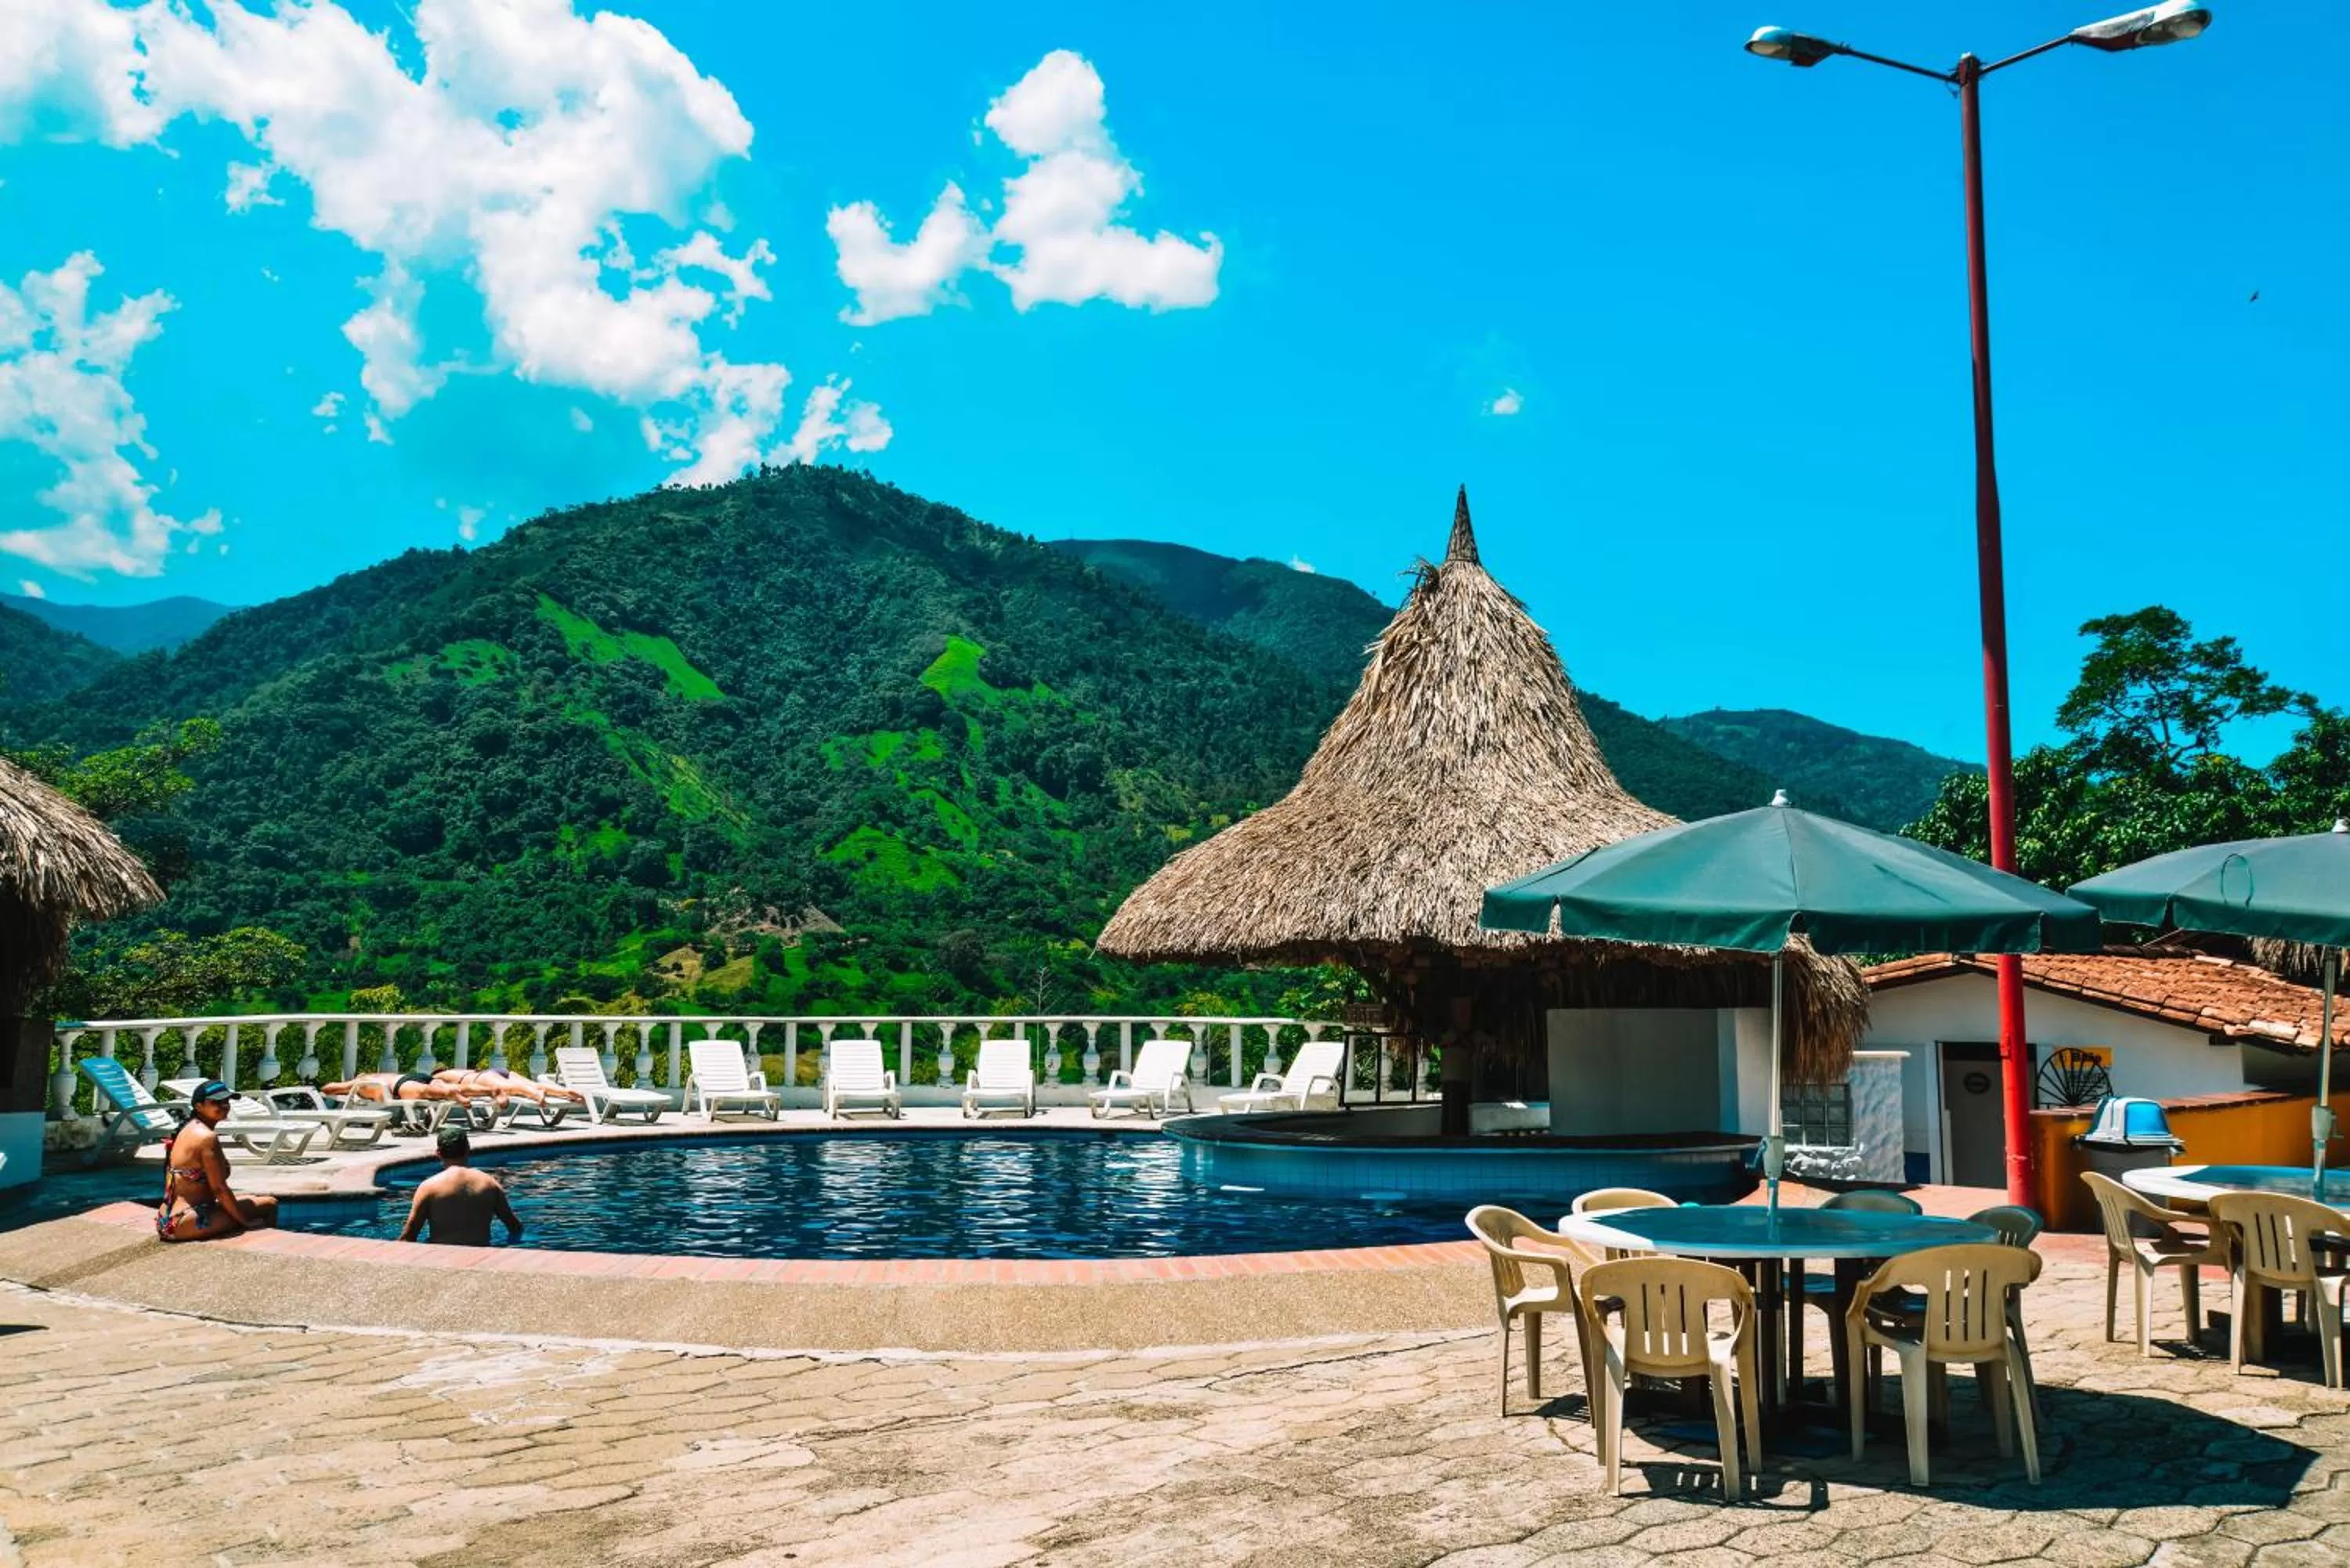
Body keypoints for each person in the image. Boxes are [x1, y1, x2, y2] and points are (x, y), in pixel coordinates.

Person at [156, 1081, 279, 1242]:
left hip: (166, 1221)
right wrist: (245, 1222)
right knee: (270, 1204)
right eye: (216, 1102)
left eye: (226, 1101)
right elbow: (219, 1189)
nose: (224, 1106)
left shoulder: (187, 1129)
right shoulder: (206, 1137)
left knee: (253, 1199)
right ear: (199, 1106)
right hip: (185, 1222)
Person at [397, 1127, 523, 1247]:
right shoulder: (489, 1184)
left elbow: (409, 1237)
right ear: (468, 1149)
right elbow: (515, 1228)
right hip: (482, 1256)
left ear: (439, 1153)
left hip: (441, 1258)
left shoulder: (429, 1187)